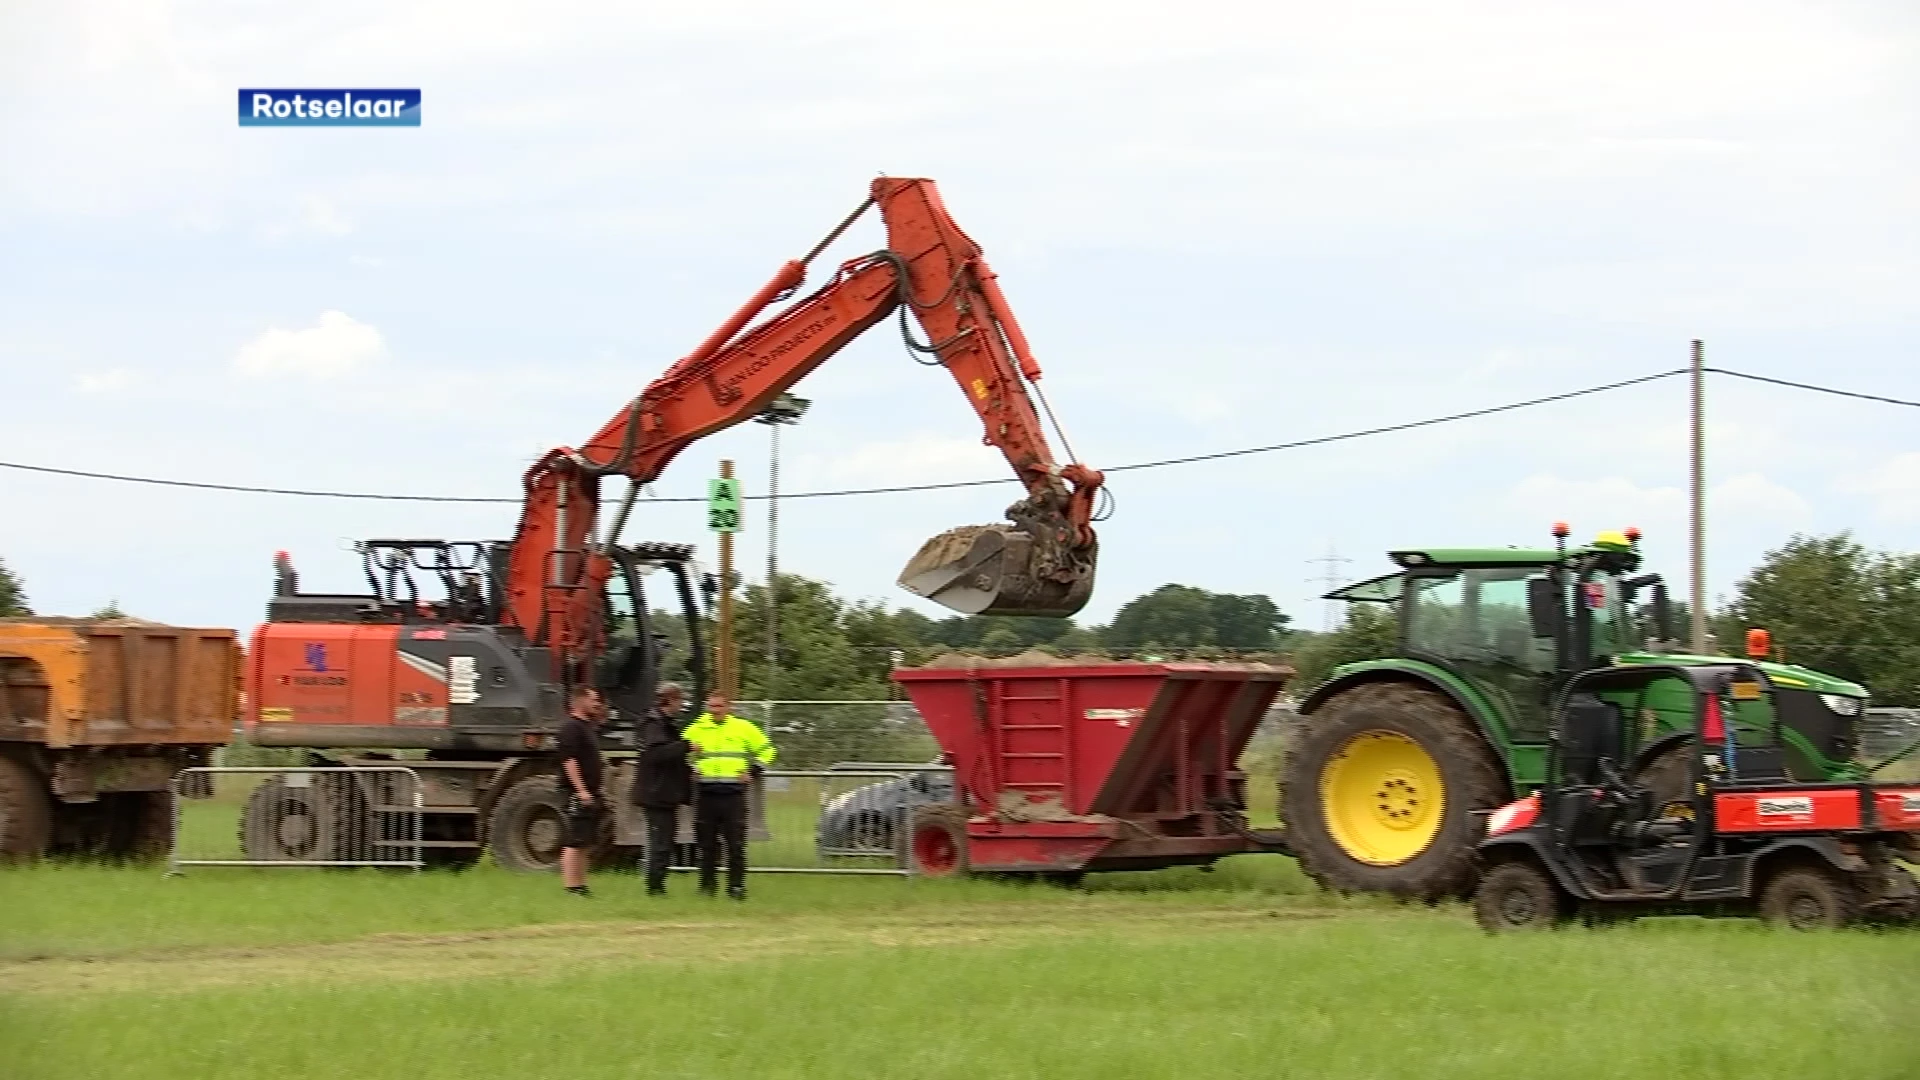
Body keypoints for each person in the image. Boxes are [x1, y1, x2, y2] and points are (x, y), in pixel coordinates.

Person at [682, 691, 776, 899]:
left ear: (729, 708)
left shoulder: (743, 728)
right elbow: (679, 751)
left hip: (733, 794)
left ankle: (736, 887)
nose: (714, 711)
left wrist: (753, 771)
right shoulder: (697, 728)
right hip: (705, 794)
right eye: (711, 707)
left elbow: (768, 750)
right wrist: (690, 768)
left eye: (719, 706)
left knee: (735, 844)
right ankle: (707, 888)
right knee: (706, 845)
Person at [632, 681, 693, 896]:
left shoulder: (663, 723)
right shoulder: (653, 723)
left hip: (663, 793)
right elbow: (656, 754)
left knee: (664, 841)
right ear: (670, 700)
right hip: (655, 794)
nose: (682, 704)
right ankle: (655, 887)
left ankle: (658, 884)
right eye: (680, 700)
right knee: (659, 843)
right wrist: (686, 746)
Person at [555, 685, 607, 897]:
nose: (598, 704)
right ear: (580, 700)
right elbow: (569, 760)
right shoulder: (571, 728)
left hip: (590, 792)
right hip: (576, 792)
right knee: (574, 840)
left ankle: (581, 884)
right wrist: (581, 790)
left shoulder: (587, 727)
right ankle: (570, 886)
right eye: (594, 700)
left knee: (586, 841)